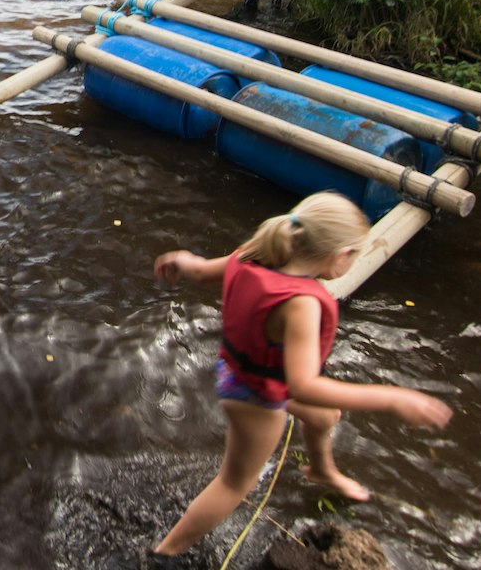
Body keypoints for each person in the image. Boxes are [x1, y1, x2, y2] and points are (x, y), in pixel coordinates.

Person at [149, 193, 452, 560]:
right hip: (255, 396)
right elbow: (304, 385)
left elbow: (200, 270)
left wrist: (183, 261)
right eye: (355, 254)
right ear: (340, 256)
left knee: (325, 415)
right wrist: (393, 398)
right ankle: (165, 553)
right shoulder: (302, 304)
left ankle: (322, 470)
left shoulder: (251, 254)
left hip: (237, 368)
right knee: (234, 483)